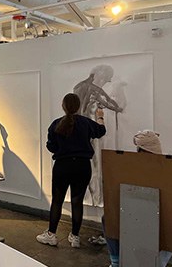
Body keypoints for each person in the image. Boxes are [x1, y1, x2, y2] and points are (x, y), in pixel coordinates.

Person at [37, 93, 106, 248]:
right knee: (77, 202)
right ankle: (75, 237)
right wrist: (100, 117)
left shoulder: (56, 124)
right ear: (78, 106)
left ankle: (51, 235)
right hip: (82, 166)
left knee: (57, 201)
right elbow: (101, 131)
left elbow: (51, 146)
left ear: (63, 106)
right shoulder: (86, 123)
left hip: (63, 166)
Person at [102, 130, 164, 267]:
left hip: (154, 217)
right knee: (107, 217)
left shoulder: (164, 170)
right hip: (138, 213)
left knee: (107, 218)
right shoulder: (161, 168)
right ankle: (116, 260)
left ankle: (115, 260)